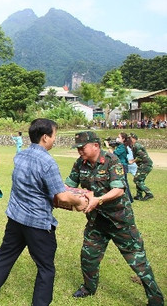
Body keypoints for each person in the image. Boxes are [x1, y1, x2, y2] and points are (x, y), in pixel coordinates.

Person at [0, 118, 89, 305]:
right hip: (37, 223)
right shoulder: (48, 162)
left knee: (5, 255)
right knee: (46, 268)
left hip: (15, 218)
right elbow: (61, 196)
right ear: (45, 137)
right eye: (54, 136)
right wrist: (79, 200)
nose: (55, 140)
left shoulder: (20, 155)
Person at [65, 131, 164, 306]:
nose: (79, 151)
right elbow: (69, 185)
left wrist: (98, 199)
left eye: (82, 147)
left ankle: (155, 299)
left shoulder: (112, 161)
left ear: (96, 145)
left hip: (120, 222)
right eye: (77, 148)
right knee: (88, 256)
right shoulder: (80, 163)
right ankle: (89, 288)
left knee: (138, 261)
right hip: (97, 222)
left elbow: (119, 189)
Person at [104, 133, 133, 202]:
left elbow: (114, 154)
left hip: (122, 165)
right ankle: (129, 198)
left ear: (123, 139)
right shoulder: (121, 146)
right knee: (123, 182)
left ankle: (128, 198)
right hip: (122, 165)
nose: (117, 138)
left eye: (119, 137)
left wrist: (108, 146)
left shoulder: (122, 147)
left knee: (123, 183)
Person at [128, 133, 154, 201]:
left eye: (130, 138)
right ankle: (139, 195)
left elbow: (141, 156)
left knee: (137, 179)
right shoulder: (134, 146)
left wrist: (132, 161)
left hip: (145, 164)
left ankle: (148, 193)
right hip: (143, 165)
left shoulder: (137, 146)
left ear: (134, 139)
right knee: (139, 179)